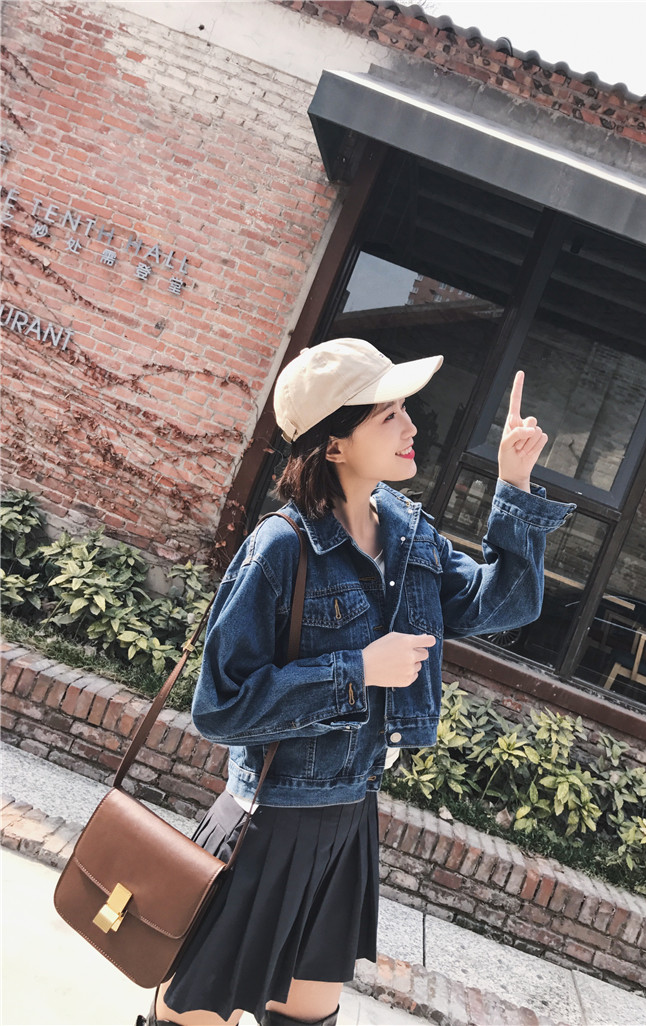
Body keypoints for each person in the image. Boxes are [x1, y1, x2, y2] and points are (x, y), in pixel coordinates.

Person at [138, 338, 575, 1026]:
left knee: (307, 1015)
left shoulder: (406, 531)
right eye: (389, 416)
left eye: (405, 410)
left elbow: (505, 603)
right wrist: (358, 671)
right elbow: (220, 707)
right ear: (335, 444)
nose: (412, 426)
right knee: (198, 1012)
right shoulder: (281, 546)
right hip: (270, 820)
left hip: (349, 819)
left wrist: (514, 484)